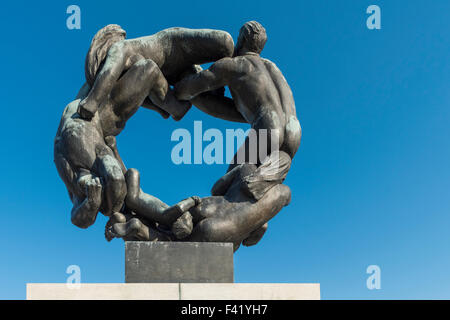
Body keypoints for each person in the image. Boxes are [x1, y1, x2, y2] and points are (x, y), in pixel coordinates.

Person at [78, 25, 234, 120]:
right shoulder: (127, 74)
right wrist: (163, 108)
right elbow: (145, 98)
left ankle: (244, 59)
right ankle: (237, 93)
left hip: (173, 46)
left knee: (225, 43)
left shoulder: (121, 47)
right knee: (198, 101)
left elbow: (109, 72)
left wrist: (92, 101)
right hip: (174, 73)